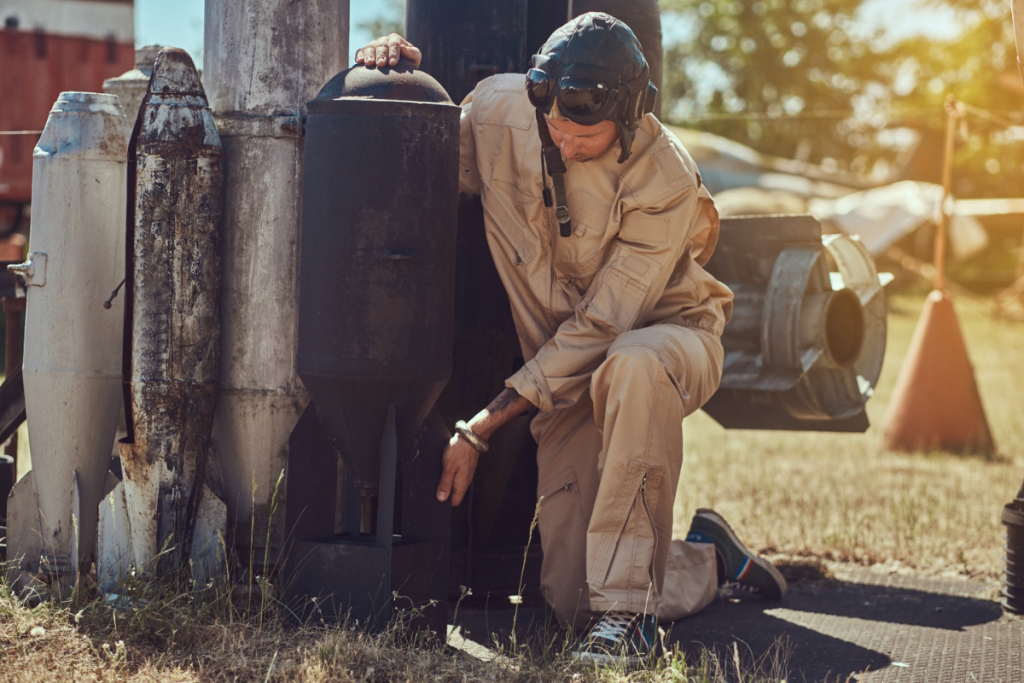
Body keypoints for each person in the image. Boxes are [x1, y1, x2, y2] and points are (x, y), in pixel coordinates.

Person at [356, 13, 786, 666]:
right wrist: (394, 80)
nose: (562, 135)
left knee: (632, 363)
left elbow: (604, 329)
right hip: (565, 380)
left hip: (668, 341)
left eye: (584, 131)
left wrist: (481, 427)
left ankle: (628, 622)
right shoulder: (503, 111)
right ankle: (704, 554)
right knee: (569, 598)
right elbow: (422, 159)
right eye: (554, 118)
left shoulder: (665, 179)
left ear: (632, 116)